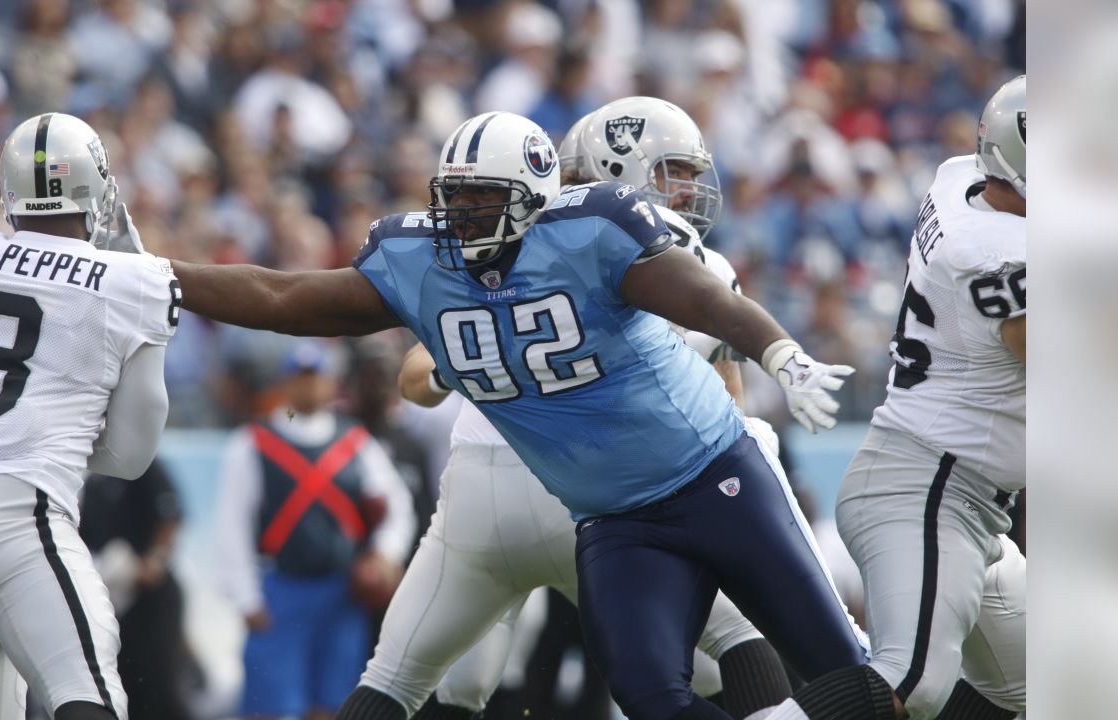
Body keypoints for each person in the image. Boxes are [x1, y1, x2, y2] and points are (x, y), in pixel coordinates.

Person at [167, 110, 867, 720]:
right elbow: (287, 299)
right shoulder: (429, 262)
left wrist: (781, 353)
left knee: (852, 678)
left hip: (700, 477)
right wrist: (162, 276)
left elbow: (710, 313)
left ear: (536, 194)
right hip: (605, 515)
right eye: (455, 197)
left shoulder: (601, 234)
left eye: (482, 197)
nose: (462, 213)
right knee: (649, 689)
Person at [383, 98, 804, 720]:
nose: (690, 190)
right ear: (620, 170)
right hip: (609, 495)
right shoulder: (572, 256)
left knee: (436, 679)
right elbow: (417, 375)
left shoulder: (523, 252)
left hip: (538, 494)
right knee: (726, 638)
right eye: (674, 172)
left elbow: (415, 377)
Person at [762, 76, 1027, 720]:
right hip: (930, 489)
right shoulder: (1002, 254)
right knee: (911, 682)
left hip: (960, 497)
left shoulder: (960, 177)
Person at [0, 113, 179, 720]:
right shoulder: (136, 280)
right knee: (88, 698)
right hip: (14, 511)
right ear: (96, 190)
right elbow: (131, 457)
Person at [213, 339, 415, 720]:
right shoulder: (252, 443)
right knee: (274, 707)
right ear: (284, 384)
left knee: (337, 705)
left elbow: (397, 506)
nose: (308, 387)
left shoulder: (356, 441)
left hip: (341, 595)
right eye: (299, 378)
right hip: (280, 590)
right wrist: (245, 598)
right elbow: (232, 524)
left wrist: (384, 554)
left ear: (332, 384)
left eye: (316, 378)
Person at [80, 461, 195, 720]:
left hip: (153, 595)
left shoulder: (144, 467)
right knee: (125, 685)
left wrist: (153, 563)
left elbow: (170, 517)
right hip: (115, 596)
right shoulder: (93, 482)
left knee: (162, 688)